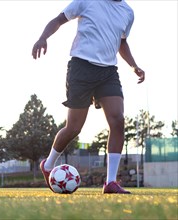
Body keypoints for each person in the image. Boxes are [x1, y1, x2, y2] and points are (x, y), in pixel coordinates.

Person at [32, 0, 145, 194]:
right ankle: (48, 164)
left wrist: (134, 65)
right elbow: (58, 20)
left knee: (117, 121)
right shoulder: (87, 1)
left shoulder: (128, 12)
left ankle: (110, 183)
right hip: (81, 68)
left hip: (109, 72)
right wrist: (43, 37)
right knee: (74, 128)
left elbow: (122, 41)